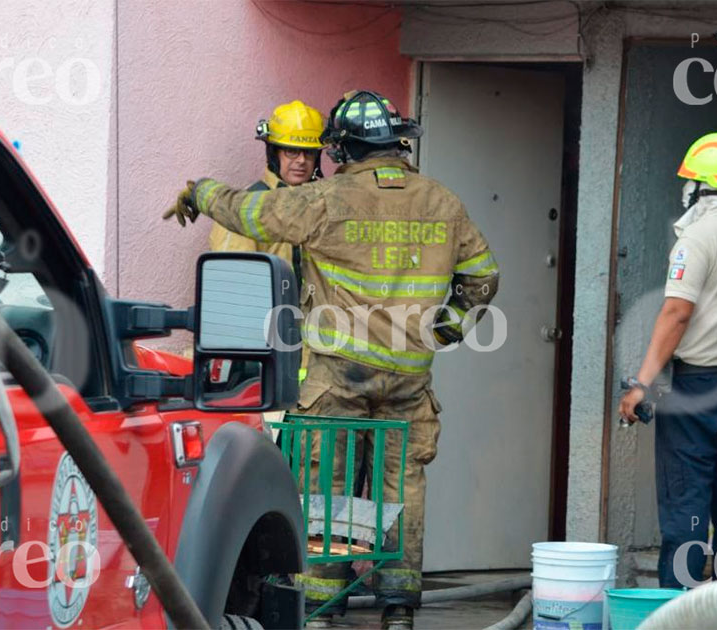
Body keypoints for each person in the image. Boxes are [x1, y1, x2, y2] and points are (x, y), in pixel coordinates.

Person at [163, 90, 500, 629]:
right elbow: (483, 276)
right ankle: (398, 611)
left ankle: (320, 611)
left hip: (337, 375)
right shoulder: (442, 201)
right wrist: (445, 330)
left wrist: (201, 192)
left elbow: (252, 211)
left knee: (325, 484)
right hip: (410, 379)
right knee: (402, 489)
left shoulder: (329, 199)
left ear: (342, 149)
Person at [618, 132, 717, 589]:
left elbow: (677, 312)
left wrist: (641, 384)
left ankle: (678, 613)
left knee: (685, 506)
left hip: (697, 388)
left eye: (689, 182)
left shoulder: (696, 239)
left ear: (701, 187)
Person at [208, 100, 323, 388]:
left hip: (314, 359)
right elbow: (233, 293)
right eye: (291, 151)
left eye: (309, 152)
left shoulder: (324, 208)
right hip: (261, 363)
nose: (301, 161)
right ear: (273, 153)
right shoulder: (248, 209)